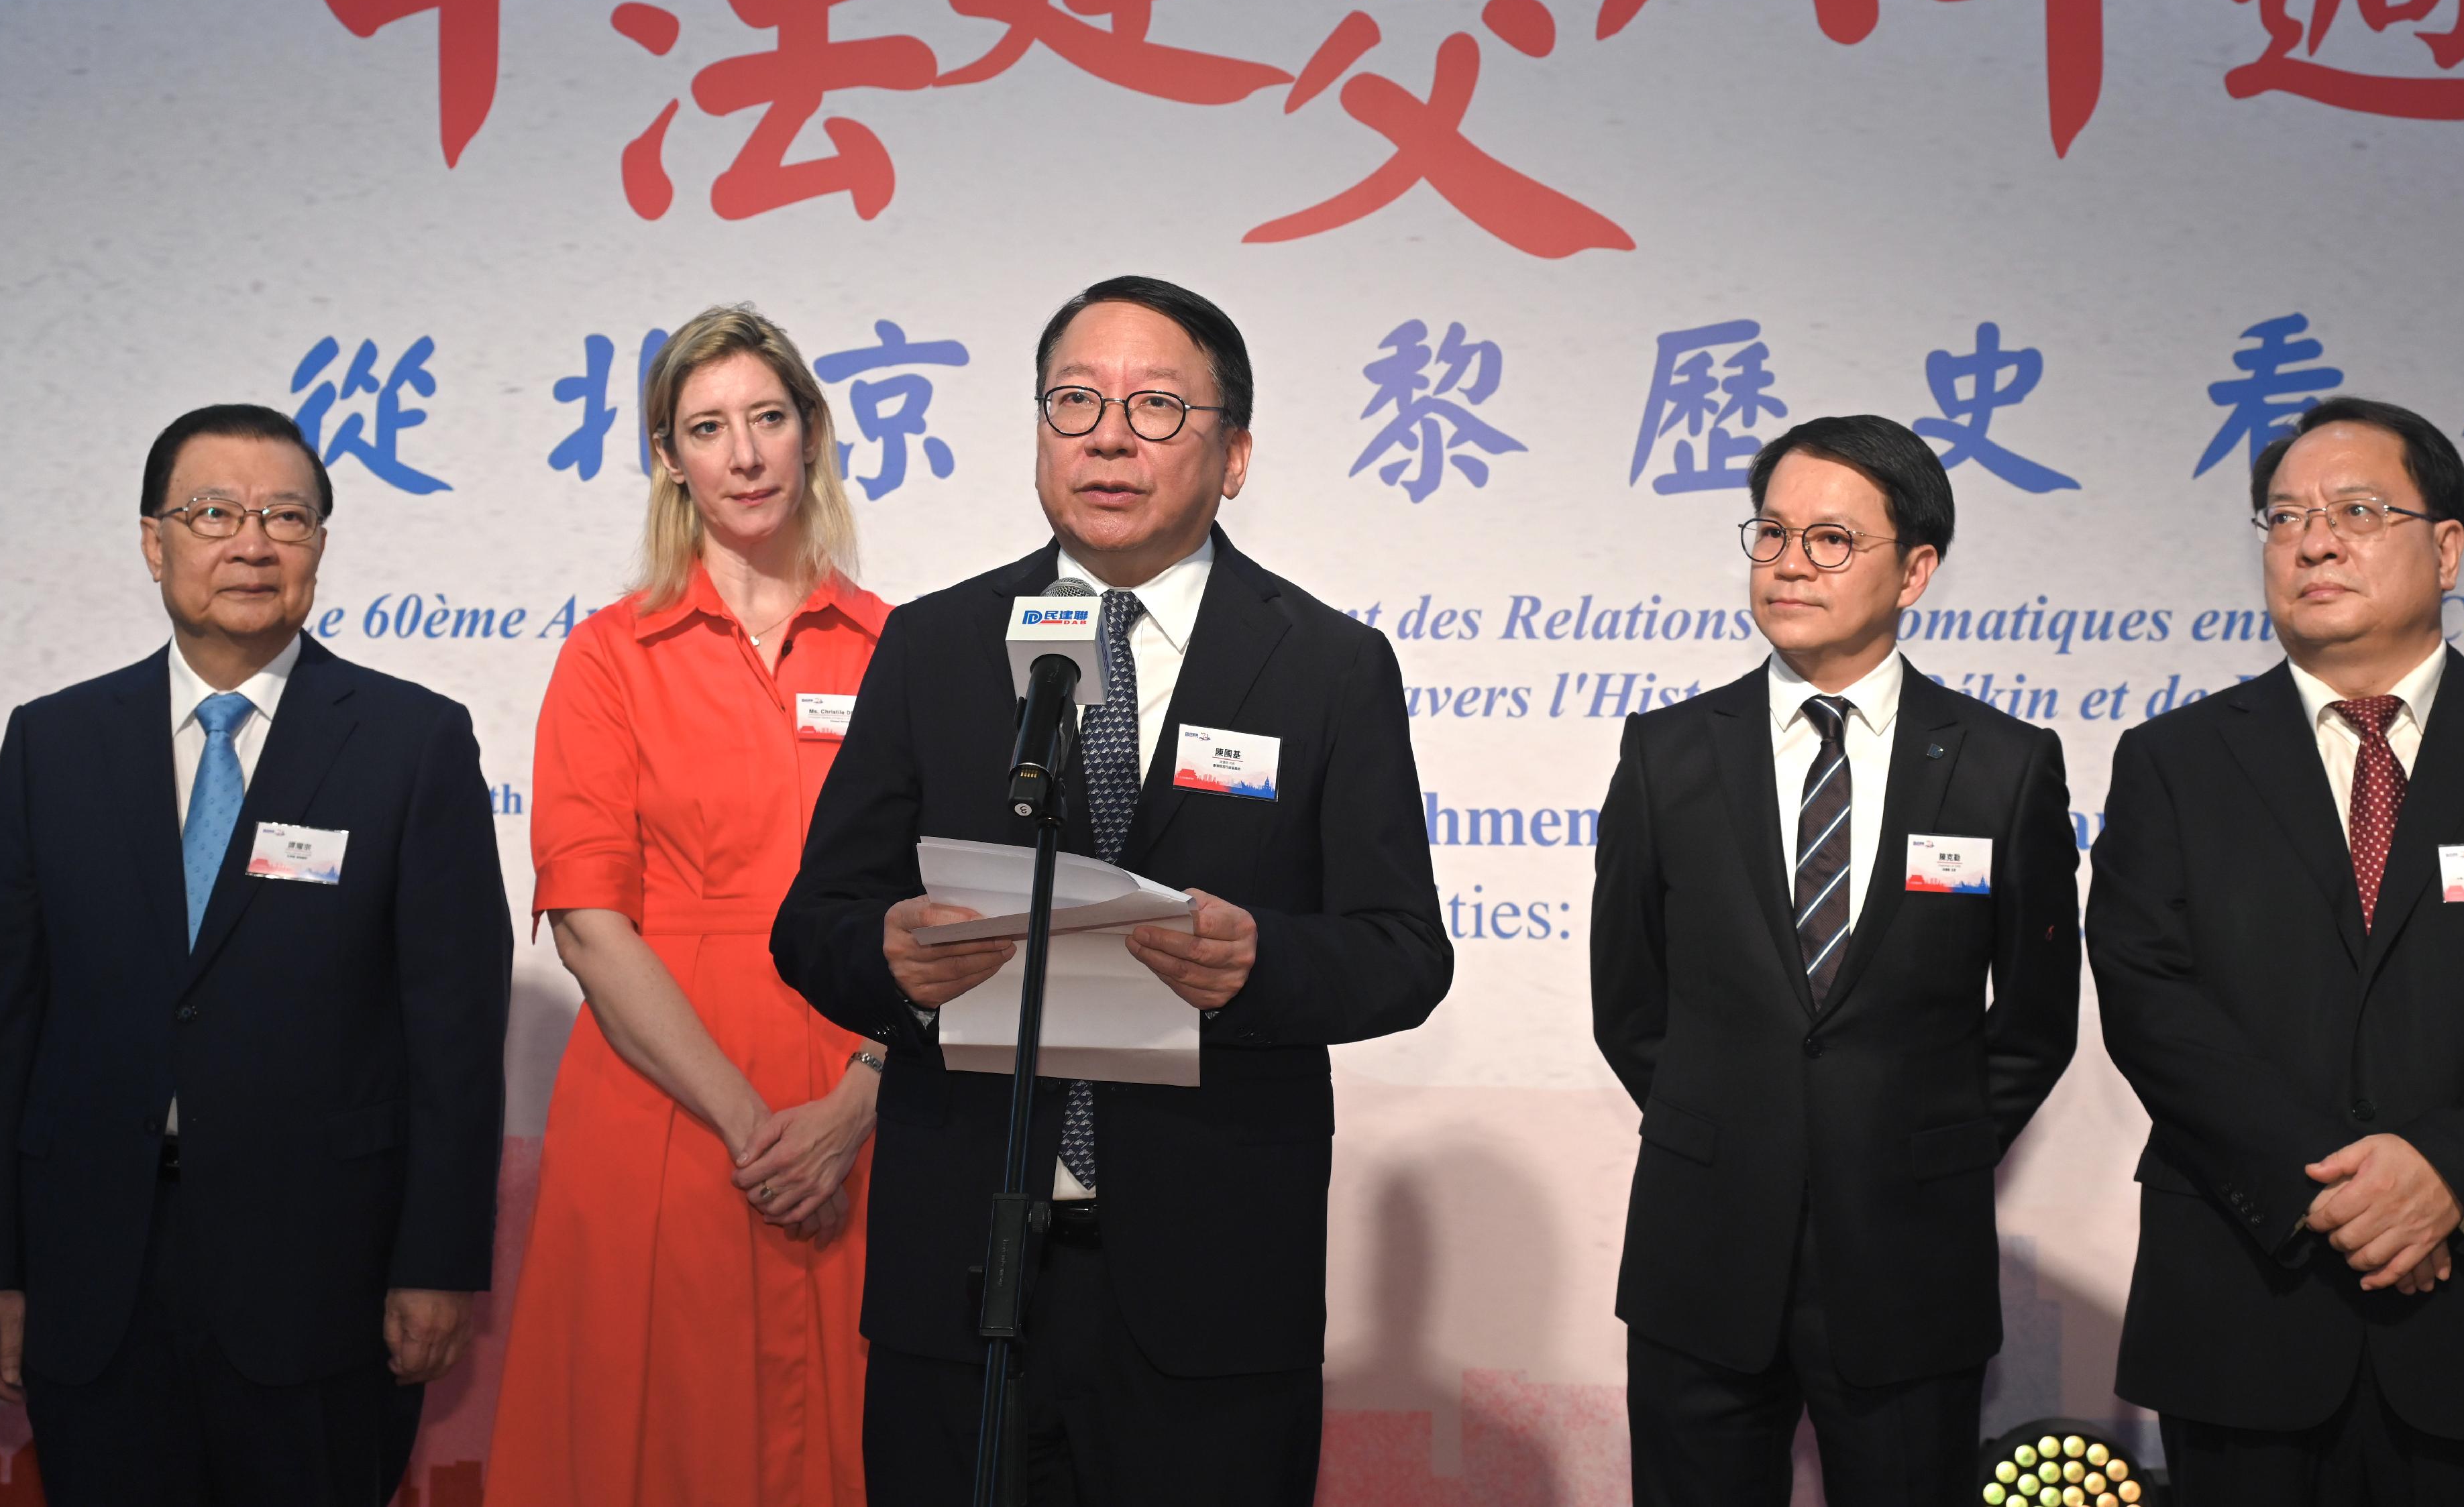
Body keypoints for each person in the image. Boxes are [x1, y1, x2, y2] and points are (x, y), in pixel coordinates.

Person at [771, 274, 1452, 1507]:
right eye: (1074, 401)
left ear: (1233, 454)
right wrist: (888, 959)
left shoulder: (1328, 667)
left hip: (1212, 1283)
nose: (1106, 435)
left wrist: (1261, 966)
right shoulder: (937, 645)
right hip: (963, 1271)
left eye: (1152, 406)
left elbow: (1405, 951)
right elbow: (812, 923)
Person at [2089, 396, 2464, 1506]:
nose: (2313, 540)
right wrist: (2332, 1186)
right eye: (2286, 516)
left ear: (2446, 547)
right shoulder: (2174, 760)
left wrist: (2449, 1174)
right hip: (2248, 1306)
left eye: (2357, 509)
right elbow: (2148, 993)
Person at [0, 403, 511, 1505]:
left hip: (323, 1283)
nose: (252, 542)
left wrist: (439, 1261)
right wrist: (2, 1265)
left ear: (320, 544)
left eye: (286, 515)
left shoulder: (413, 743)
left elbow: (455, 1031)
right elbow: (8, 1018)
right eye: (213, 511)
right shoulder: (51, 742)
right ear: (153, 540)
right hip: (94, 1277)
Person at [1591, 414, 2080, 1507]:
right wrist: (1732, 1128)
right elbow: (1630, 1005)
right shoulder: (1668, 752)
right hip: (1703, 1252)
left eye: (1829, 539)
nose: (1790, 565)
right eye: (1771, 534)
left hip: (1910, 1257)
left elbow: (2036, 1023)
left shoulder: (2004, 766)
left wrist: (1917, 1143)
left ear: (1915, 570)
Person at [487, 306, 890, 1507]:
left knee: (866, 1423)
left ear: (812, 433)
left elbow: (955, 904)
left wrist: (858, 1102)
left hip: (865, 1092)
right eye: (709, 428)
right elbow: (593, 924)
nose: (746, 454)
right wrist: (749, 1123)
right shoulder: (611, 655)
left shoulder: (899, 649)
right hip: (666, 1099)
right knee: (656, 1439)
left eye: (769, 418)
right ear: (670, 456)